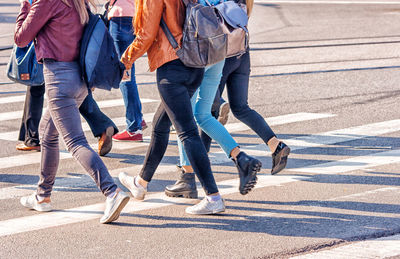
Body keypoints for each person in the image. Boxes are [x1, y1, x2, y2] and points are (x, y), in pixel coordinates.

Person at [15, 0, 129, 223]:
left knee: (75, 142)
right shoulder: (78, 2)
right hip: (80, 80)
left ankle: (112, 191)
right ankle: (42, 196)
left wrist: (25, 5)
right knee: (47, 134)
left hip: (59, 79)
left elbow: (21, 38)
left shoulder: (46, 2)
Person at [118, 0, 225, 215]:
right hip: (193, 62)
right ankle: (141, 183)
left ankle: (213, 197)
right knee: (160, 125)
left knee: (187, 133)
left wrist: (125, 60)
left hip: (172, 67)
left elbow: (146, 35)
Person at [211, 0, 291, 175]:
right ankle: (276, 145)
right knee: (241, 108)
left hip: (221, 55)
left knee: (207, 112)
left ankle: (194, 168)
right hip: (241, 50)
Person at [166, 55, 261, 200]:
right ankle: (240, 157)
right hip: (217, 53)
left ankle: (187, 177)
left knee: (184, 116)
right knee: (203, 115)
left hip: (195, 55)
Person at [17, 84, 119, 157]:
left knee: (35, 86)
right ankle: (103, 127)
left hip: (50, 59)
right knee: (77, 90)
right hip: (70, 61)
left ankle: (32, 138)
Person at [107, 0, 147, 142]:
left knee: (124, 73)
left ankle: (134, 127)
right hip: (136, 15)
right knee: (128, 72)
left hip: (121, 17)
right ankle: (137, 118)